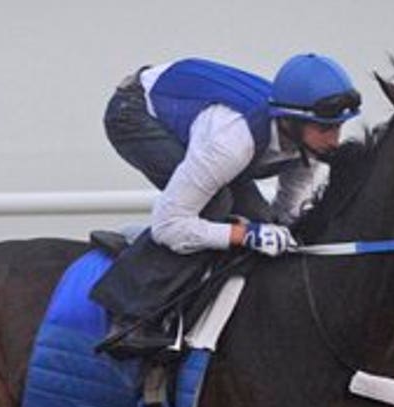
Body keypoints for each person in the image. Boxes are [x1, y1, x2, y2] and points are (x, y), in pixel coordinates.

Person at [90, 53, 362, 358]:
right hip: (134, 112)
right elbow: (170, 225)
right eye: (326, 128)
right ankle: (130, 316)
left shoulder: (305, 145)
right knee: (214, 206)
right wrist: (245, 235)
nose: (335, 142)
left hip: (200, 121)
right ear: (291, 120)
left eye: (338, 128)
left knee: (260, 218)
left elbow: (287, 216)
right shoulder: (232, 142)